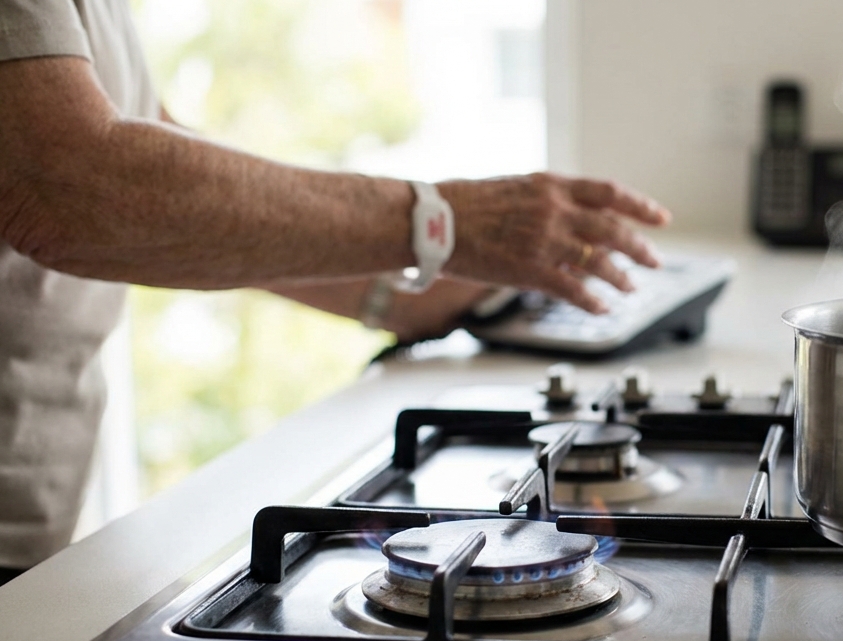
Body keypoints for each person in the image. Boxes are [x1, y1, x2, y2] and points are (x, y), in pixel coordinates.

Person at [0, 0, 672, 585]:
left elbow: (160, 175)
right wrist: (441, 224)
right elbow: (69, 184)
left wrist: (398, 292)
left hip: (34, 511)